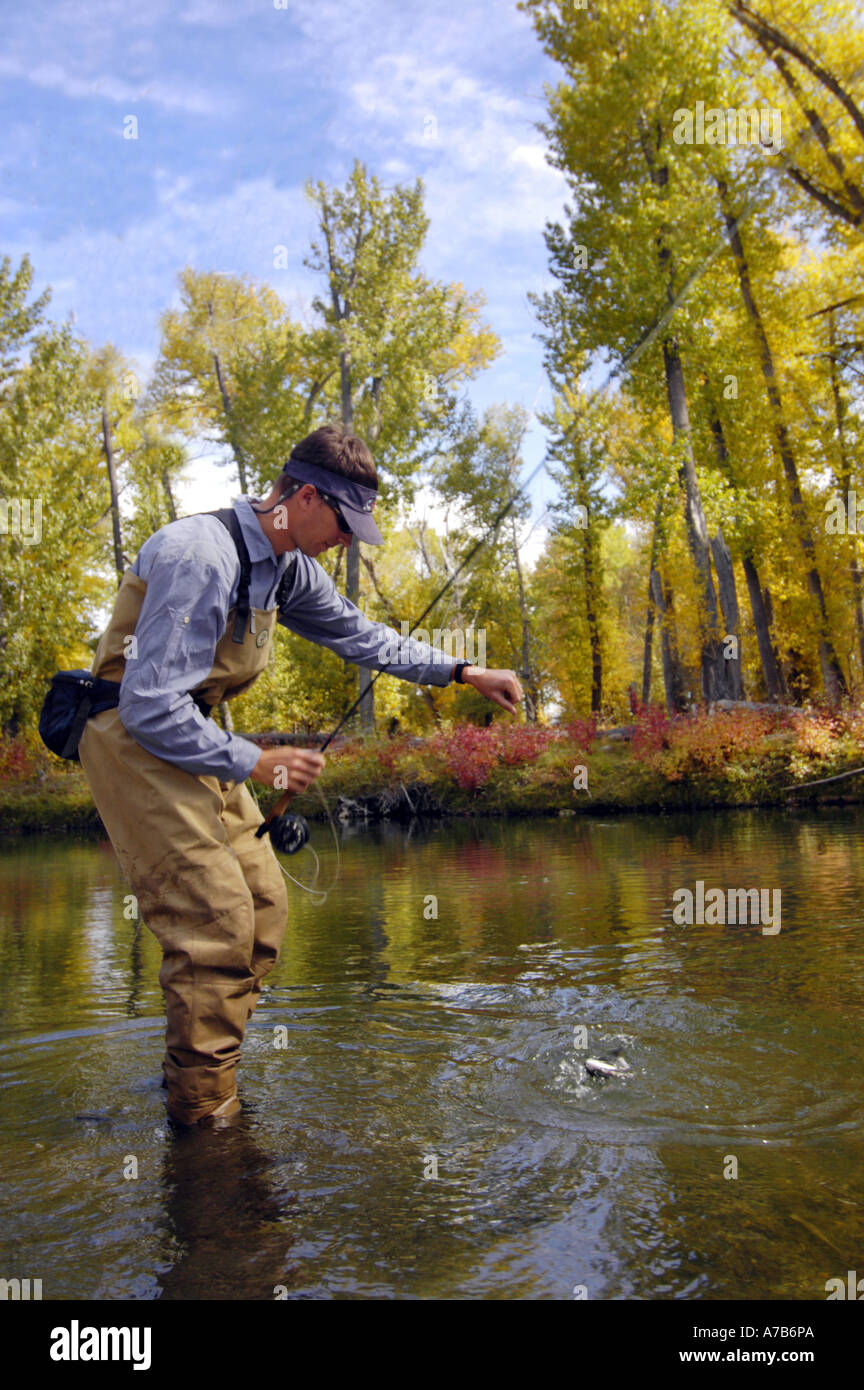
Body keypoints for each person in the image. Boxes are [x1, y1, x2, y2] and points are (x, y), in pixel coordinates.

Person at [78, 423, 523, 1129]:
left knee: (261, 910)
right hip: (135, 737)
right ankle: (204, 1124)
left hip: (199, 735)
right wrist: (255, 760)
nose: (346, 540)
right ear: (303, 496)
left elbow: (361, 636)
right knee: (215, 922)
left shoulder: (285, 568)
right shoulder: (199, 554)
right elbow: (149, 703)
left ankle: (198, 1080)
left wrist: (463, 672)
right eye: (344, 524)